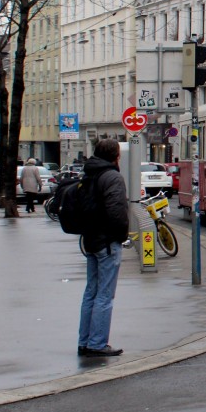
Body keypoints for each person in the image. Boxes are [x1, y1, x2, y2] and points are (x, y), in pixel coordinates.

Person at [77, 138, 129, 357]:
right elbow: (116, 212)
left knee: (91, 292)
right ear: (115, 155)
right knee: (105, 295)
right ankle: (97, 343)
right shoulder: (112, 177)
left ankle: (85, 341)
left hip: (90, 239)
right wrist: (120, 236)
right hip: (107, 242)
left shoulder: (89, 174)